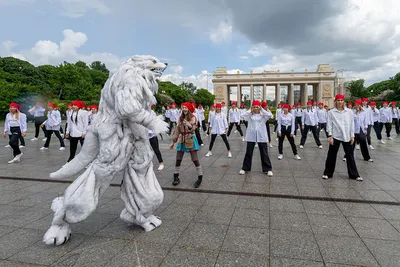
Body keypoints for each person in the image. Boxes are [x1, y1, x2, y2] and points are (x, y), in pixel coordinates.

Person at [323, 94, 363, 181]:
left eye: (341, 100)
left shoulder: (349, 112)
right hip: (335, 136)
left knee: (350, 155)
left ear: (343, 101)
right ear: (335, 102)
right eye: (338, 100)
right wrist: (330, 136)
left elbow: (352, 123)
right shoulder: (331, 112)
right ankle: (327, 173)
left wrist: (352, 135)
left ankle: (354, 174)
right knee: (331, 155)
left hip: (347, 136)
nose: (340, 102)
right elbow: (329, 124)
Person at [170, 102, 203, 188]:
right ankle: (176, 177)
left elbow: (194, 129)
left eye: (185, 107)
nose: (184, 109)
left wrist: (189, 125)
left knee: (195, 159)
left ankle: (200, 177)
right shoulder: (180, 118)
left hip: (190, 139)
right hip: (181, 139)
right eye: (183, 107)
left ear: (188, 109)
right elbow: (177, 130)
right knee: (178, 159)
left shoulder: (193, 118)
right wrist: (173, 142)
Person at [239, 100, 273, 176]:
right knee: (248, 152)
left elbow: (271, 116)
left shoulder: (263, 115)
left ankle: (267, 169)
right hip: (251, 136)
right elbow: (241, 116)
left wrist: (262, 110)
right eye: (254, 107)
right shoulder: (249, 115)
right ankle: (245, 168)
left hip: (261, 136)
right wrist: (249, 110)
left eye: (257, 107)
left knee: (264, 153)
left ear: (260, 107)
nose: (256, 108)